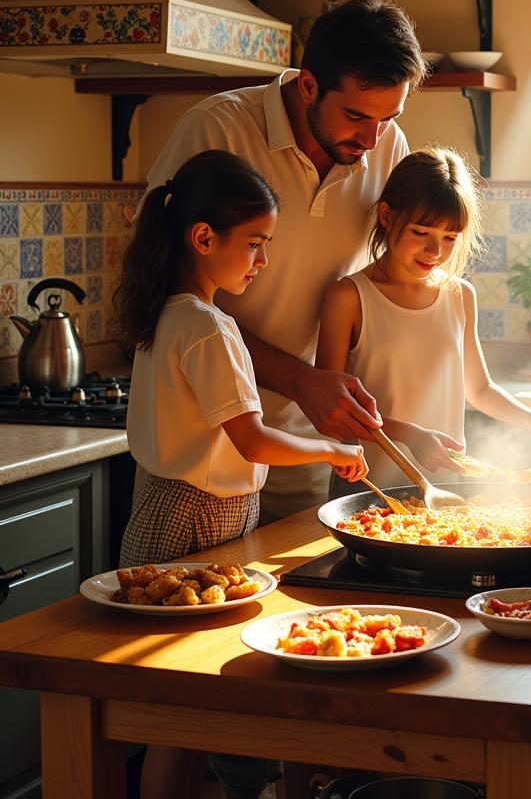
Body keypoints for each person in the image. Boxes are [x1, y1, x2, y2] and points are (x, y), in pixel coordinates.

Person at [115, 150, 368, 799]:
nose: (263, 260)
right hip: (195, 521)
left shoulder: (167, 315)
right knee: (188, 713)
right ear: (204, 239)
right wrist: (327, 449)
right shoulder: (208, 327)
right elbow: (250, 438)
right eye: (255, 243)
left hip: (164, 513)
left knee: (179, 715)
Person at [142, 0, 443, 524]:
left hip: (307, 440)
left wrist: (395, 424)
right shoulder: (218, 129)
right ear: (308, 85)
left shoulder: (385, 143)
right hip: (199, 447)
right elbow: (164, 284)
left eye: (387, 118)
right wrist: (301, 381)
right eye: (355, 115)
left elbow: (386, 288)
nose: (372, 139)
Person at [316, 146, 531, 483]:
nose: (435, 251)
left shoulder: (459, 296)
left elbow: (481, 389)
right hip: (370, 491)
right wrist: (410, 435)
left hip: (447, 494)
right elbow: (331, 408)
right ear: (386, 216)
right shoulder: (349, 297)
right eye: (420, 232)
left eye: (449, 238)